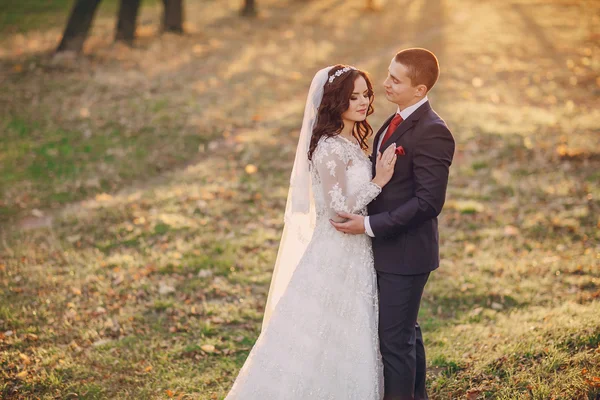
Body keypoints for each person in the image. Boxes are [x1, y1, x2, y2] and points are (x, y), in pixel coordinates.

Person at [225, 65, 397, 399]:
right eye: (353, 97)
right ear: (336, 101)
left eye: (366, 94)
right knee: (322, 330)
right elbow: (338, 209)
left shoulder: (351, 141)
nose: (363, 102)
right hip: (335, 252)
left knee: (349, 332)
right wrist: (379, 181)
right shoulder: (330, 148)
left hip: (356, 251)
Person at [331, 48, 455, 400]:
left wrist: (370, 225)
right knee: (406, 333)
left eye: (396, 79)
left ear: (420, 90)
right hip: (386, 249)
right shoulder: (396, 119)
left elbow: (429, 203)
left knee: (394, 344)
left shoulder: (432, 131)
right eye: (388, 74)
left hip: (406, 253)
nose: (384, 83)